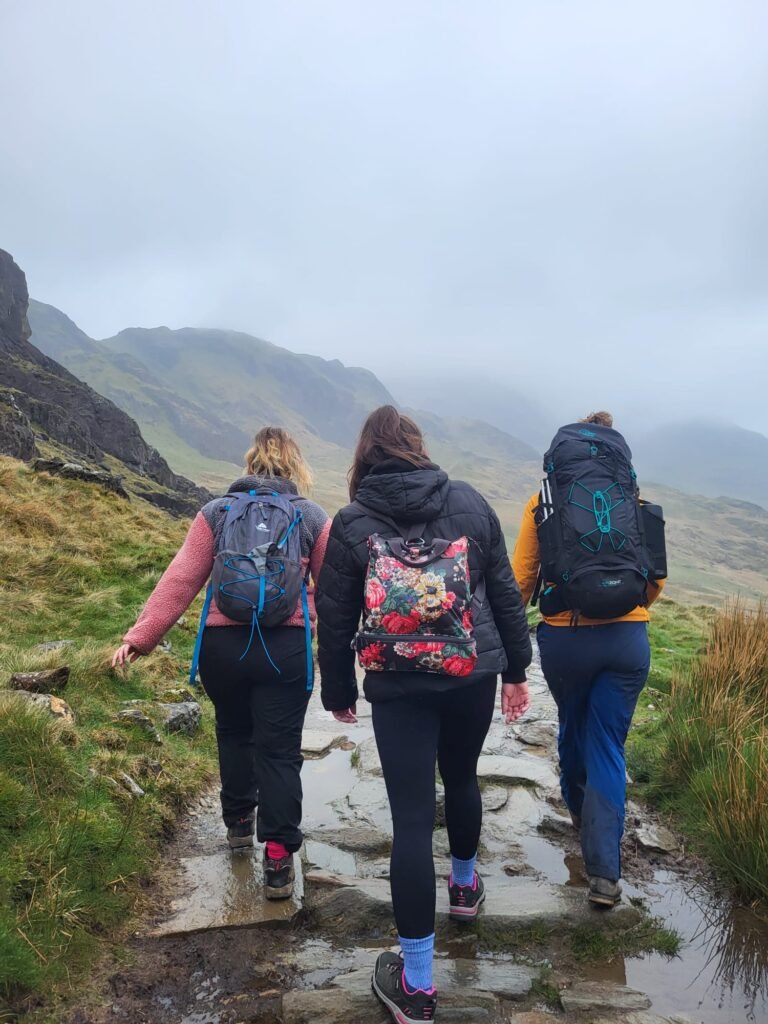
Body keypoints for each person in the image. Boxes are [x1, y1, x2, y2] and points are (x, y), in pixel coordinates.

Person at [316, 406, 532, 1023]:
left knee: (411, 820)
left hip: (398, 680)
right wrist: (516, 671)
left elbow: (335, 620)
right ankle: (463, 889)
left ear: (365, 455)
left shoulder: (353, 521)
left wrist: (338, 691)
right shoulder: (468, 500)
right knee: (462, 777)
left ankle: (416, 984)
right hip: (471, 672)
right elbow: (506, 597)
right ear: (417, 447)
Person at [112, 427, 330, 899]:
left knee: (233, 733)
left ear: (249, 463)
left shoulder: (217, 511)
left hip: (222, 648)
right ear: (294, 468)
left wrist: (139, 638)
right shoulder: (311, 515)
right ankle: (277, 862)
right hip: (285, 648)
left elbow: (180, 580)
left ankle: (237, 825)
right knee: (279, 751)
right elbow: (335, 591)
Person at [512, 411, 666, 908]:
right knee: (607, 744)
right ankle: (604, 872)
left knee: (573, 725)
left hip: (566, 640)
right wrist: (626, 608)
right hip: (627, 640)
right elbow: (655, 579)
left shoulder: (546, 502)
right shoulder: (633, 503)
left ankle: (579, 814)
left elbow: (521, 580)